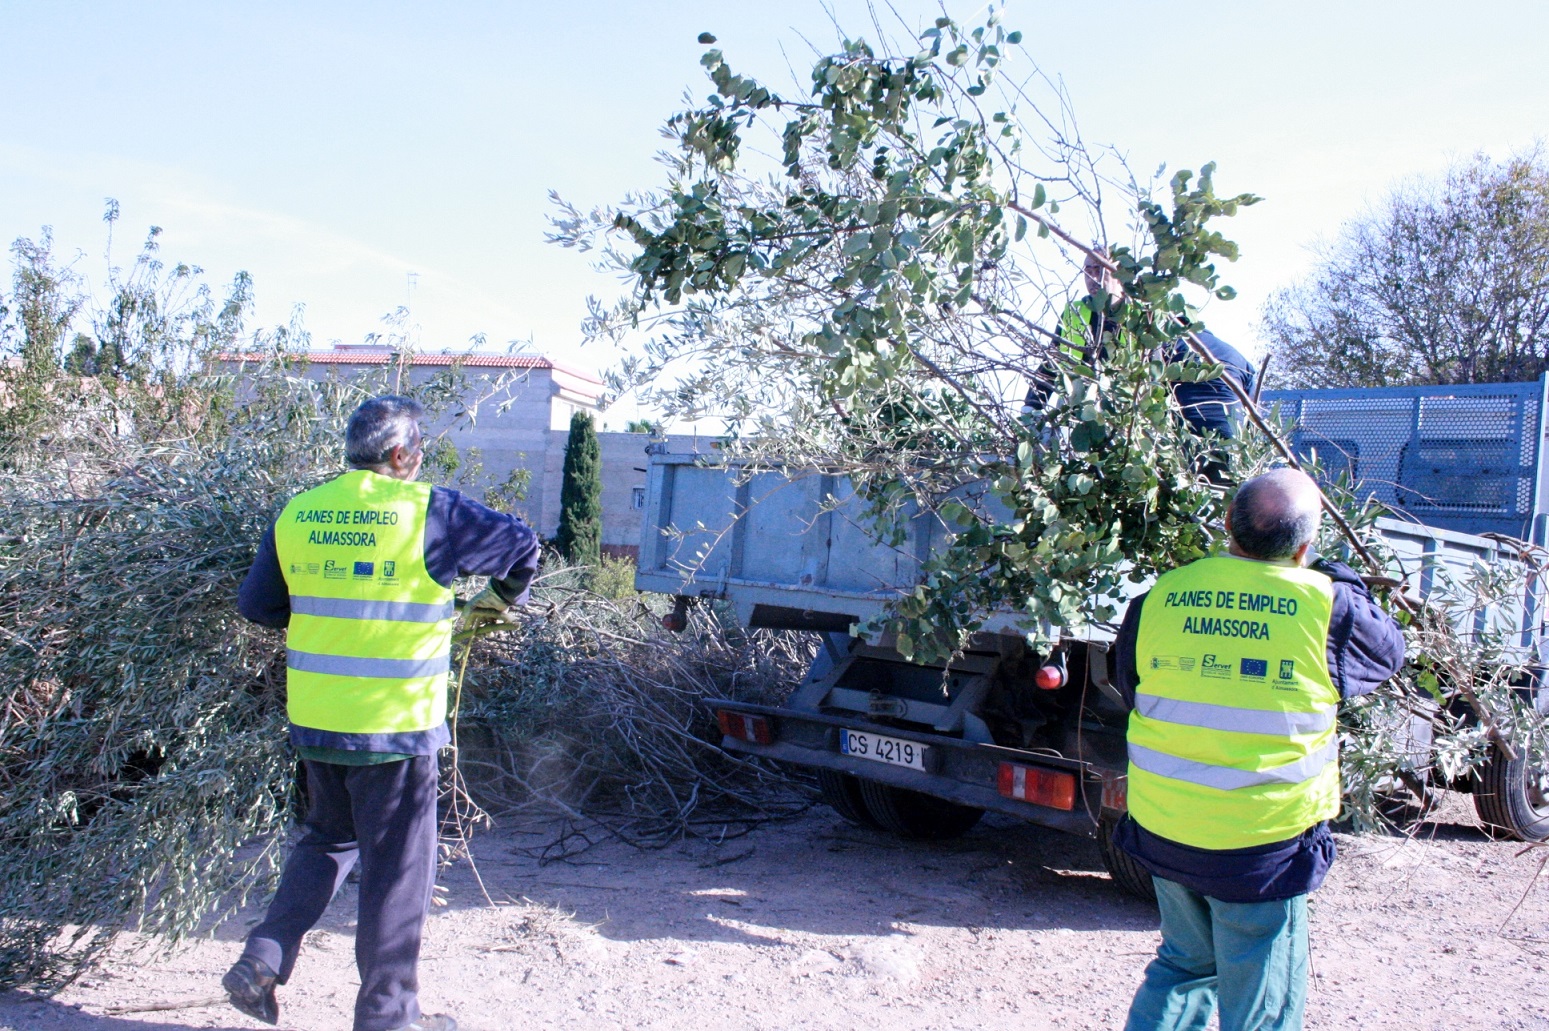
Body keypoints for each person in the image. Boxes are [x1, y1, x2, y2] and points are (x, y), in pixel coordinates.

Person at [225, 395, 540, 1031]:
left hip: (318, 722)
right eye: (418, 452)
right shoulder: (432, 511)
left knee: (328, 839)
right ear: (401, 455)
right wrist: (499, 599)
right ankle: (389, 1018)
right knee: (399, 874)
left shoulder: (299, 512)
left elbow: (258, 606)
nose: (420, 462)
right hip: (396, 730)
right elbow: (522, 544)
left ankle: (262, 957)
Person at [1109, 468, 1405, 1031]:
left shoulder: (1158, 599)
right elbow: (1389, 653)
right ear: (1306, 545)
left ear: (1227, 525)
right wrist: (1337, 575)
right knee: (1262, 998)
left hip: (1167, 828)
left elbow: (1133, 688)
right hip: (1262, 843)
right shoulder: (1327, 606)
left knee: (1183, 966)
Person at [1023, 253, 1257, 441]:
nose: (1093, 277)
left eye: (1101, 269)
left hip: (1206, 371)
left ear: (1121, 275)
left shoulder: (1144, 309)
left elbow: (1148, 381)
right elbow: (1051, 365)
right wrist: (1030, 409)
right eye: (1088, 270)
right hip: (1201, 369)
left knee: (1213, 455)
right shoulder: (1077, 313)